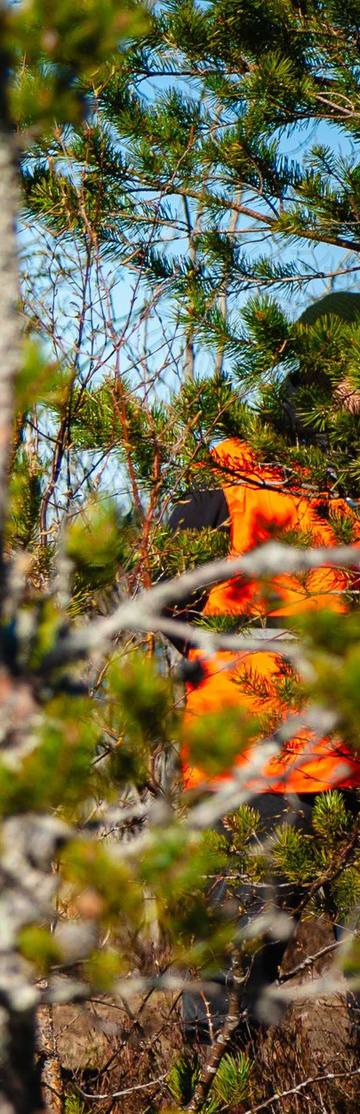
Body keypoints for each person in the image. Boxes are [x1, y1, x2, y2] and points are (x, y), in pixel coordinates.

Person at [163, 290, 360, 1041]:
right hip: (252, 768)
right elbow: (163, 594)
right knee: (224, 1009)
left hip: (351, 763)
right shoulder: (236, 475)